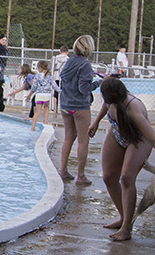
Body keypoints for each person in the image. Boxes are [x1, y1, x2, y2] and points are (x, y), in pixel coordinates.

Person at [89, 78, 155, 242]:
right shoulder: (112, 99)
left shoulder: (133, 108)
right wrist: (96, 122)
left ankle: (127, 227)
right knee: (108, 177)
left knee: (127, 178)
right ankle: (123, 218)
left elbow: (154, 140)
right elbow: (106, 106)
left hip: (140, 140)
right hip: (118, 132)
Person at [58, 34, 102, 185]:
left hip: (66, 105)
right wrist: (99, 83)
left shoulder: (68, 62)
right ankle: (81, 176)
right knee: (83, 141)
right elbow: (84, 89)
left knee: (68, 138)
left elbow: (64, 79)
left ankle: (63, 171)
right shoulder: (85, 65)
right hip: (80, 107)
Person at [28, 61, 60, 131]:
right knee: (46, 108)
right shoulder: (50, 76)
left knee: (37, 112)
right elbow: (54, 85)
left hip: (39, 95)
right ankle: (45, 122)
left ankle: (33, 127)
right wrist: (60, 91)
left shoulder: (37, 76)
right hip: (47, 95)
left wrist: (29, 94)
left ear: (39, 68)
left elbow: (34, 87)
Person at [52, 46, 69, 112]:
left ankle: (54, 108)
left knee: (56, 92)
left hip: (56, 76)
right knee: (63, 92)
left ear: (60, 51)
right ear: (67, 52)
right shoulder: (68, 59)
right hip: (64, 77)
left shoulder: (56, 58)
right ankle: (62, 107)